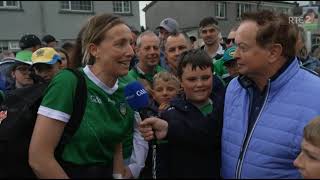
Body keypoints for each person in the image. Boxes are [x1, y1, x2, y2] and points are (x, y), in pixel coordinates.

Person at [28, 13, 135, 178]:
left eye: (131, 43)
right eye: (120, 44)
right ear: (94, 50)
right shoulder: (68, 82)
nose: (131, 52)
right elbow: (39, 158)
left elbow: (116, 143)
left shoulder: (124, 90)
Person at [221, 10, 320, 179]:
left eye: (242, 47)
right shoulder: (234, 88)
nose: (235, 54)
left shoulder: (316, 94)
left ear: (273, 52)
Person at [139, 49, 223, 178]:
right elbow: (160, 163)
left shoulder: (224, 107)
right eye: (192, 79)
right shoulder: (169, 116)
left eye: (205, 78)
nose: (199, 84)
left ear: (213, 76)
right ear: (181, 81)